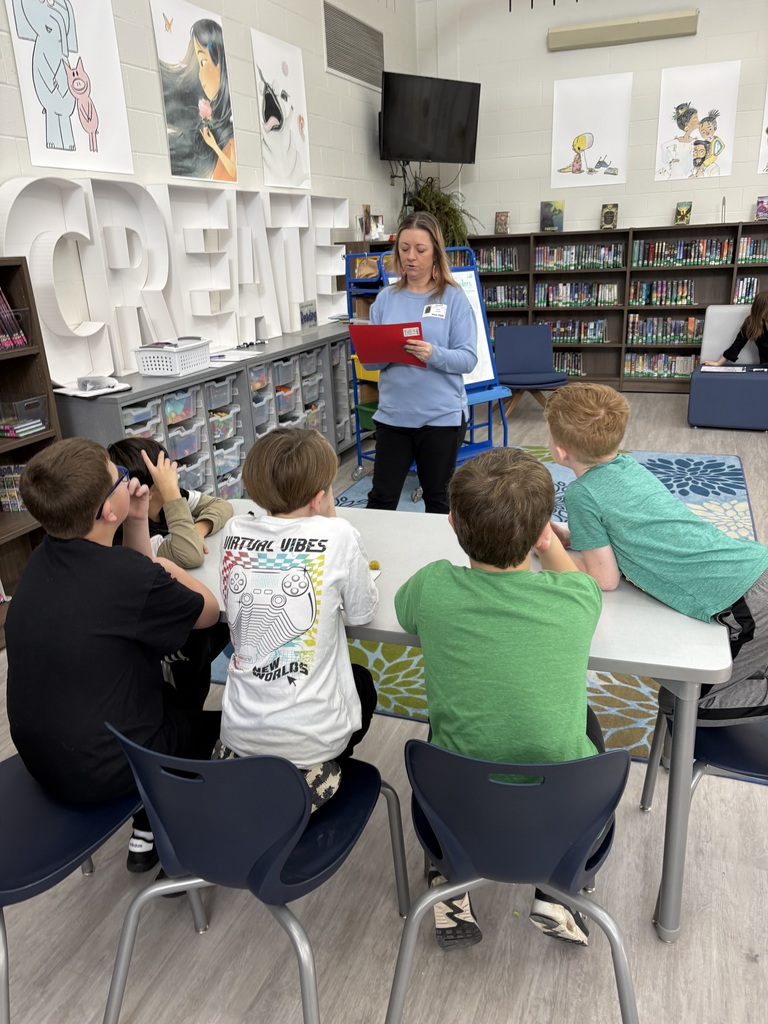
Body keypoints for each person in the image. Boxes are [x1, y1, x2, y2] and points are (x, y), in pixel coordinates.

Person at [395, 447, 604, 949]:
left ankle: (450, 878)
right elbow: (579, 578)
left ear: (451, 522)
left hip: (454, 806)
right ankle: (555, 889)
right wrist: (545, 540)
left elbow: (404, 614)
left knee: (442, 730)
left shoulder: (431, 587)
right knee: (587, 722)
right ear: (540, 533)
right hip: (565, 819)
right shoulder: (577, 600)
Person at [5, 438, 222, 873]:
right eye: (119, 477)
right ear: (107, 511)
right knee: (227, 720)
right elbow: (209, 612)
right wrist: (170, 570)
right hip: (106, 771)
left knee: (164, 672)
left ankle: (152, 824)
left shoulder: (40, 561)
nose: (128, 480)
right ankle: (182, 843)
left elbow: (129, 587)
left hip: (44, 760)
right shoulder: (128, 576)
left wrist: (137, 519)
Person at [543, 383, 768, 720]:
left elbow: (604, 578)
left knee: (685, 704)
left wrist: (549, 551)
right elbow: (630, 526)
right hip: (751, 567)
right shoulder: (629, 466)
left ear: (559, 452)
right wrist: (574, 537)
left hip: (746, 600)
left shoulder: (582, 494)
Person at [218, 428, 379, 812]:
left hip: (234, 741)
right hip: (308, 752)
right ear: (321, 497)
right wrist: (331, 518)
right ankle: (320, 776)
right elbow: (362, 613)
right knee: (363, 685)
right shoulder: (338, 534)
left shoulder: (234, 530)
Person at [363, 211, 477, 514]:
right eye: (404, 249)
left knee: (439, 502)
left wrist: (432, 353)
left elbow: (468, 359)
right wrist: (384, 353)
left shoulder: (453, 298)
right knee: (381, 500)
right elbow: (372, 365)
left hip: (440, 419)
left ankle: (441, 560)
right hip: (393, 418)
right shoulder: (385, 299)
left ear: (435, 253)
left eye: (420, 250)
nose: (410, 257)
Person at [106, 436, 233, 710]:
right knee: (202, 641)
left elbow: (222, 506)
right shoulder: (136, 534)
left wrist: (198, 528)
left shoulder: (166, 504)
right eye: (166, 477)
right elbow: (190, 554)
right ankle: (186, 707)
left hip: (185, 602)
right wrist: (173, 495)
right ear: (151, 490)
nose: (173, 479)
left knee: (225, 625)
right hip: (169, 629)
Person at [159, 18, 236, 181]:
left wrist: (213, 144)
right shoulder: (208, 118)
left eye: (203, 61)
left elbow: (232, 169)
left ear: (221, 62)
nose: (200, 76)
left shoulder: (229, 134)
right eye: (199, 64)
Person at [701, 290, 768, 365]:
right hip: (764, 367)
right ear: (760, 311)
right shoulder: (751, 323)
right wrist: (718, 363)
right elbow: (737, 345)